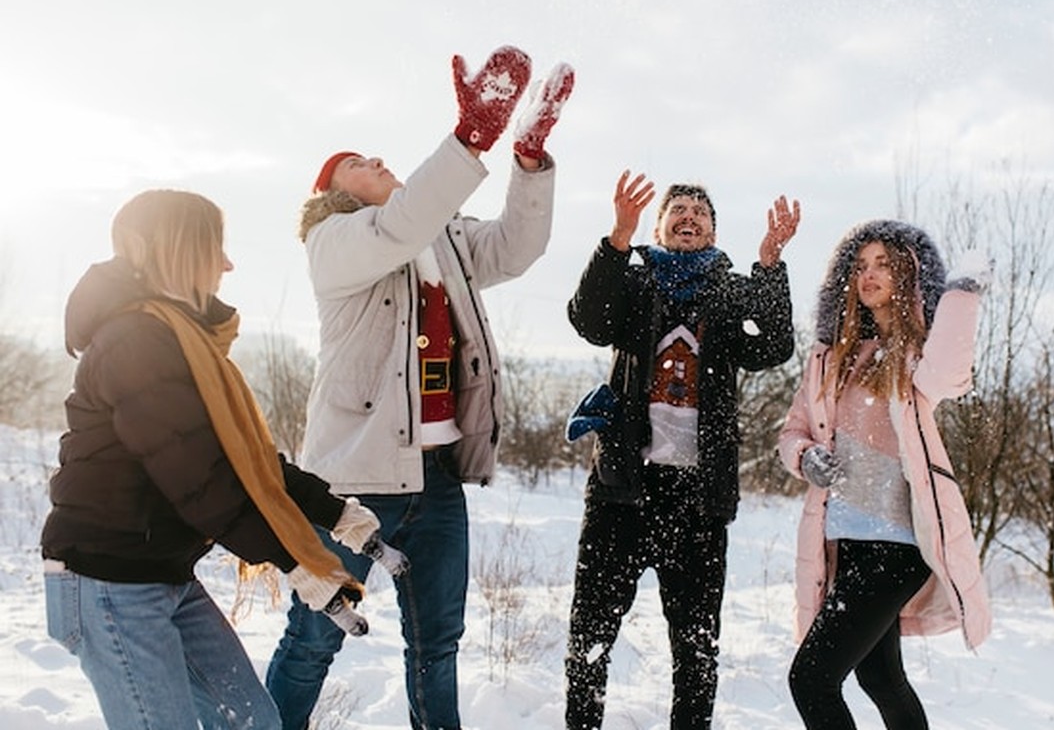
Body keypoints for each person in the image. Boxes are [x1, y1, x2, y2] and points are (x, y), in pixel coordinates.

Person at [265, 45, 573, 730]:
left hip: (435, 479)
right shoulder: (338, 242)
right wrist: (469, 138)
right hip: (352, 481)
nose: (374, 160)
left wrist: (527, 159)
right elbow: (400, 224)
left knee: (436, 647)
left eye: (374, 154)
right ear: (334, 193)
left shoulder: (439, 237)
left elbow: (516, 249)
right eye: (354, 162)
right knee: (314, 638)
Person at [41, 189, 391, 730]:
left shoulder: (182, 340)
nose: (227, 264)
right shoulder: (134, 341)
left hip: (162, 575)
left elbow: (242, 459)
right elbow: (199, 478)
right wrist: (296, 562)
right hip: (108, 582)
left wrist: (334, 512)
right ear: (172, 250)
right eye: (214, 248)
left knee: (252, 721)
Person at [563, 172, 801, 730]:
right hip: (623, 488)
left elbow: (773, 345)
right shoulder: (635, 283)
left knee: (696, 650)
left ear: (714, 230)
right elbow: (589, 321)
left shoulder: (727, 289)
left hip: (698, 499)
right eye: (679, 210)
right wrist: (617, 239)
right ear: (659, 226)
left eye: (701, 210)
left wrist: (769, 263)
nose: (690, 215)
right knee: (590, 638)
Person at [777, 219, 994, 729]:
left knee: (810, 680)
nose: (868, 275)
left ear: (907, 277)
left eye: (882, 265)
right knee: (881, 680)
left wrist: (961, 295)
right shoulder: (829, 360)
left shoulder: (917, 354)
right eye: (860, 265)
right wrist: (805, 456)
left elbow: (951, 375)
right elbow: (793, 430)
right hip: (844, 546)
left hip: (896, 549)